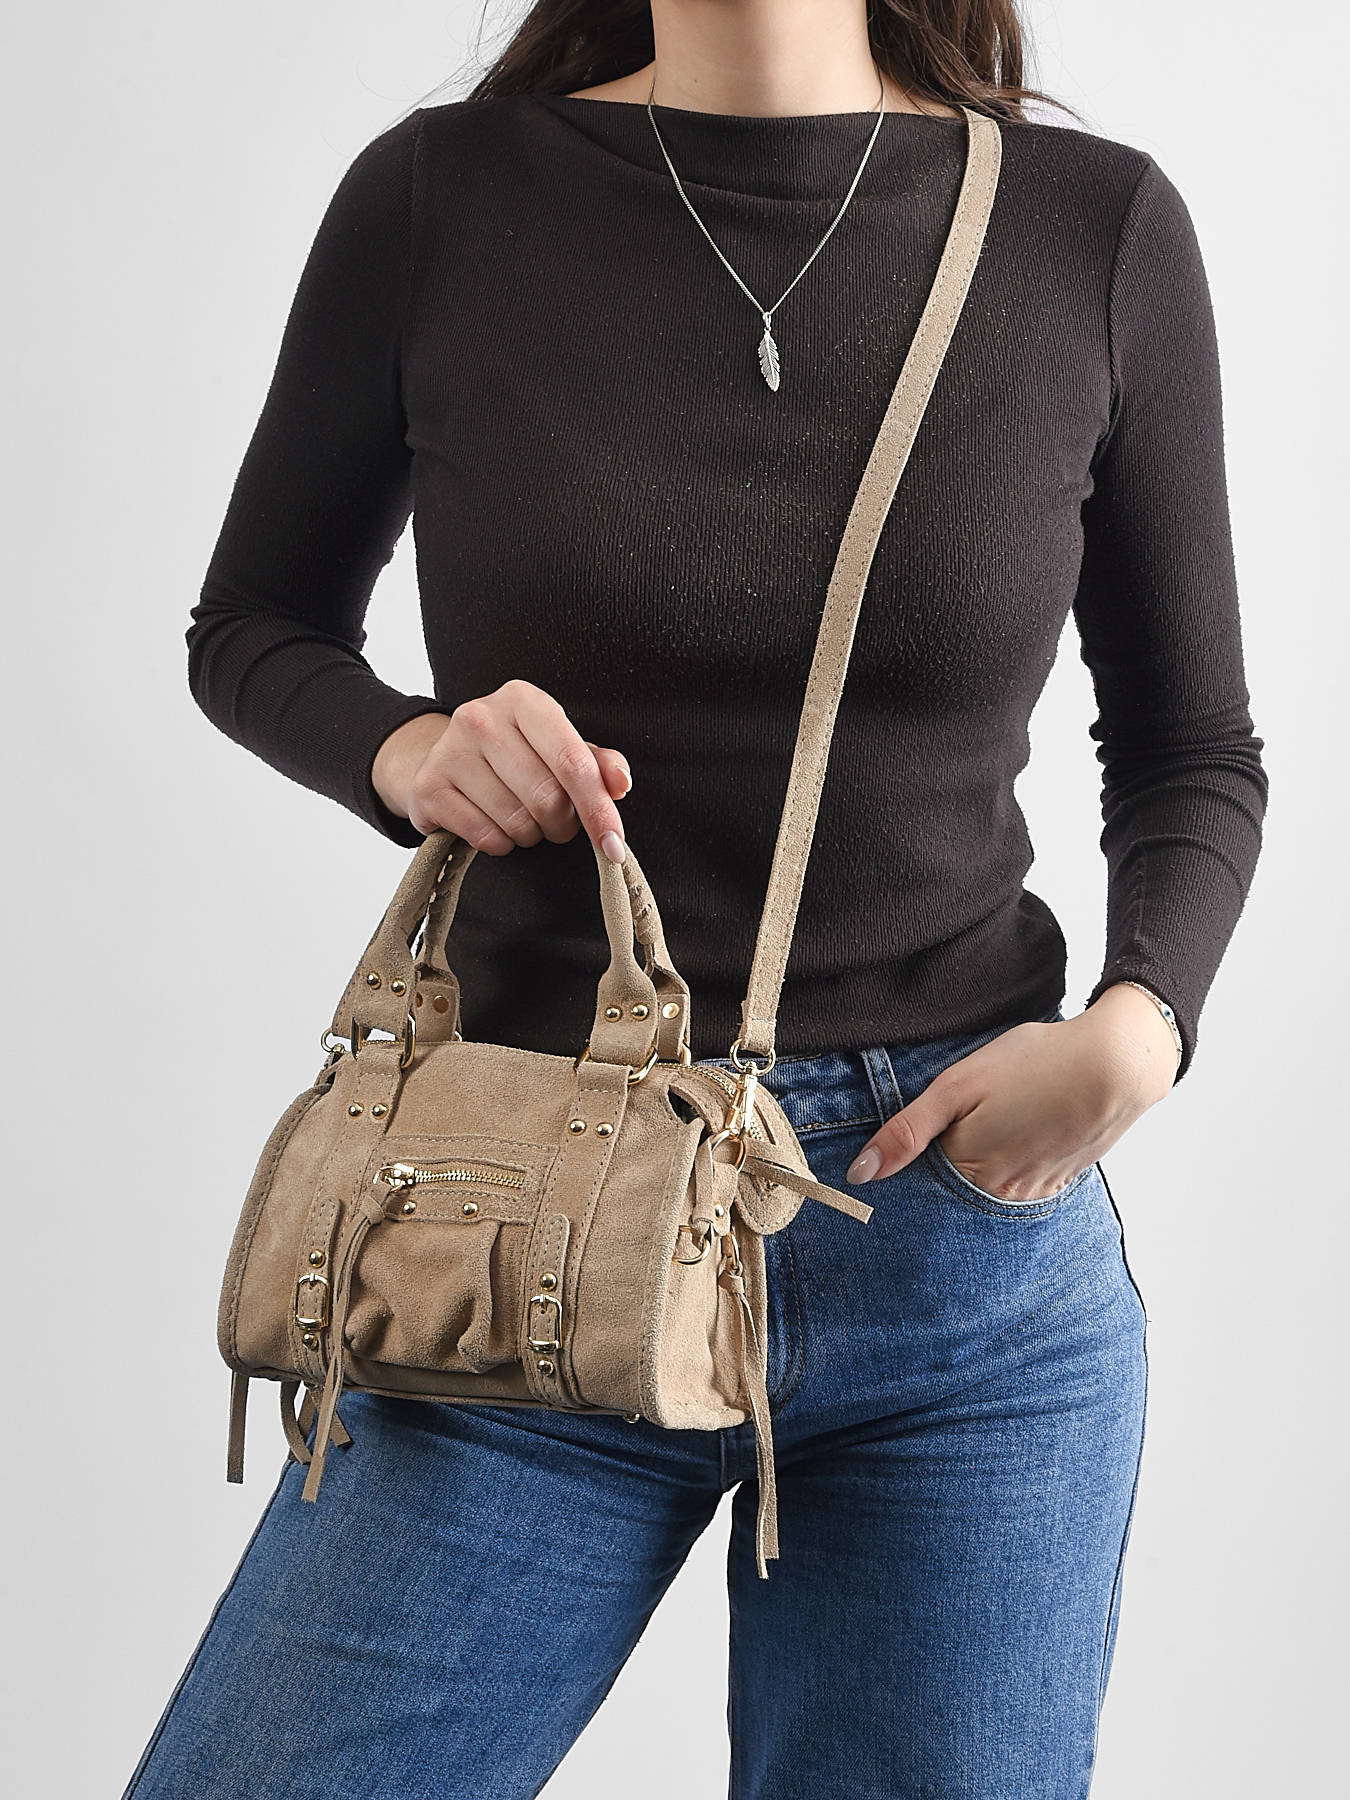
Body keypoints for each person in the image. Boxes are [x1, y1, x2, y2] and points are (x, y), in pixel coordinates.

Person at [123, 2, 1268, 1795]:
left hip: (951, 1236)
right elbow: (251, 626)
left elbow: (1193, 744)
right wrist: (410, 751)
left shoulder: (1088, 228)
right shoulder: (441, 197)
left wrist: (1141, 1028)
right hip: (524, 1222)